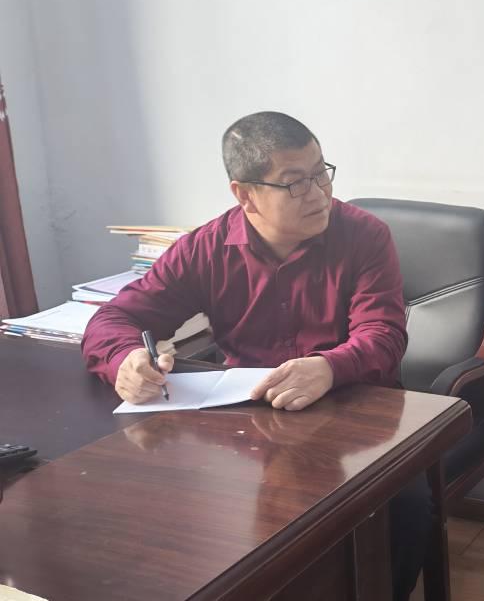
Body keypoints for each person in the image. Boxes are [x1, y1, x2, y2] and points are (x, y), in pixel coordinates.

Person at [81, 111, 428, 600]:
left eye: (321, 173)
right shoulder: (206, 249)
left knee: (406, 508)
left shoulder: (364, 235)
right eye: (295, 183)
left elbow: (384, 335)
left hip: (355, 413)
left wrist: (330, 367)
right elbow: (114, 319)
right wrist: (125, 360)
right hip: (251, 423)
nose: (318, 194)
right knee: (186, 514)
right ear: (244, 194)